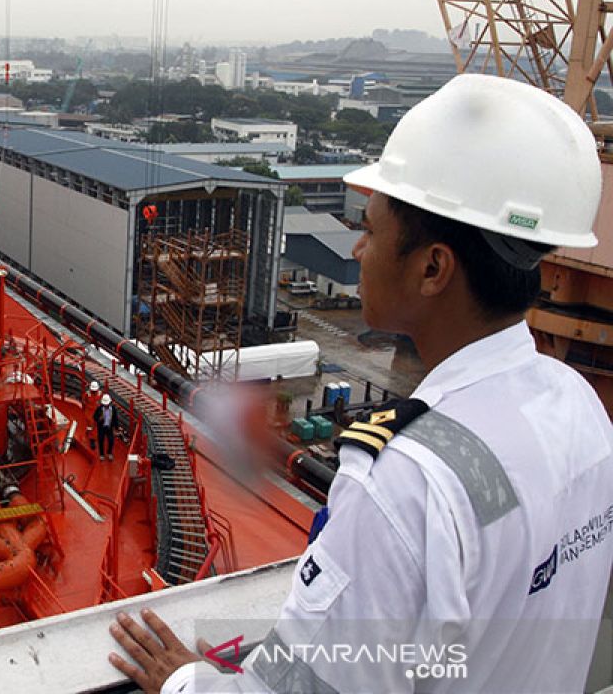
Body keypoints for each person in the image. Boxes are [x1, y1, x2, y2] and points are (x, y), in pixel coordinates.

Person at [108, 74, 613, 693]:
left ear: (433, 267)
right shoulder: (577, 406)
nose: (358, 247)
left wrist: (183, 681)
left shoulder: (404, 481)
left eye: (371, 230)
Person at [95, 393, 118, 462]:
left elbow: (115, 418)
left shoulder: (113, 409)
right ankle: (101, 454)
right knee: (101, 441)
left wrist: (116, 428)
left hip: (109, 427)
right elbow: (95, 417)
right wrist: (100, 418)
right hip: (101, 428)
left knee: (111, 441)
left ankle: (109, 452)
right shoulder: (99, 409)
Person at [84, 379, 102, 452]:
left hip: (96, 412)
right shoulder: (87, 394)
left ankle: (91, 437)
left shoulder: (100, 394)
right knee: (91, 426)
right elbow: (84, 401)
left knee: (94, 426)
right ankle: (92, 440)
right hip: (89, 412)